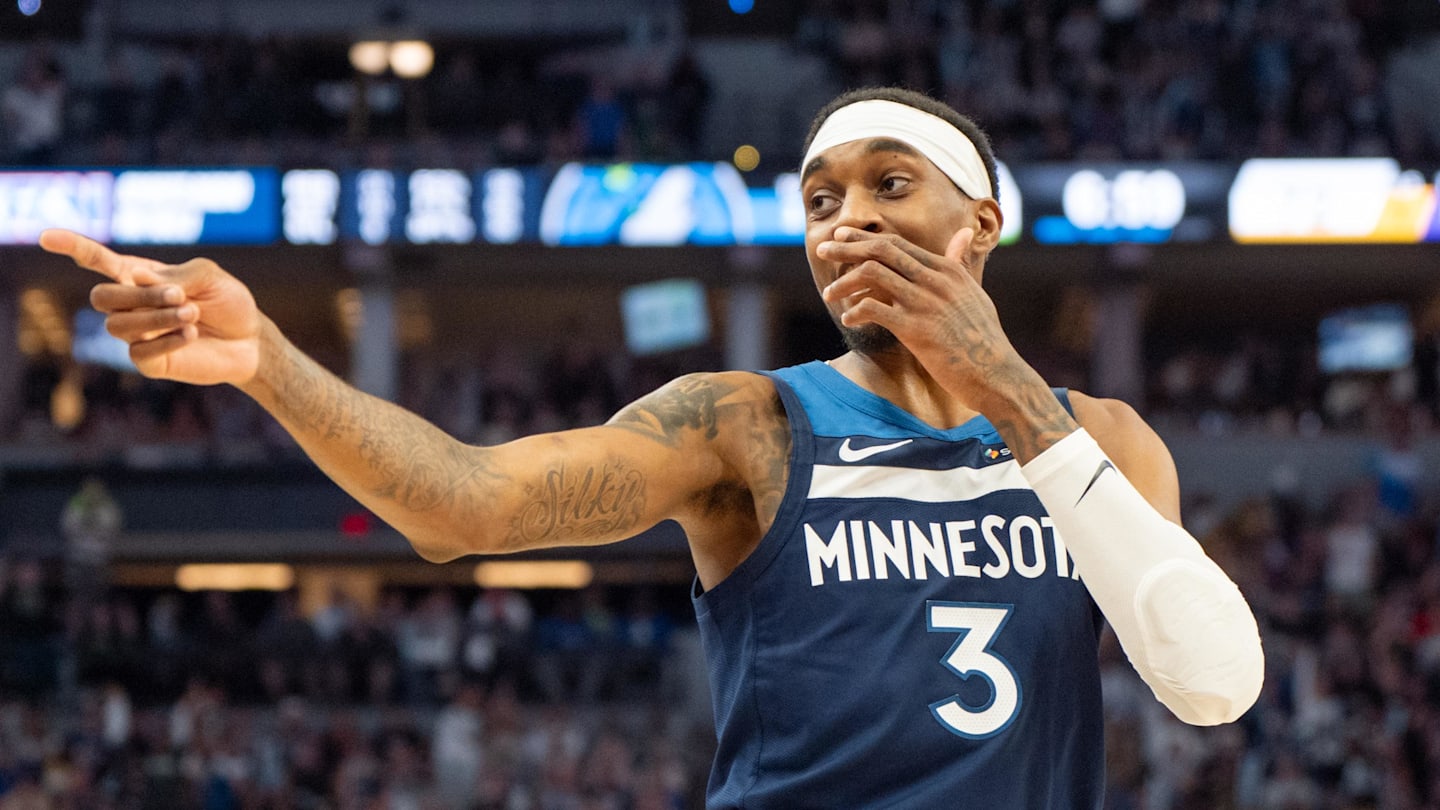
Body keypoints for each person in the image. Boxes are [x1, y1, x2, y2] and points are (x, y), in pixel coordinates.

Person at [41, 86, 1263, 808]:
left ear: (980, 223)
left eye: (891, 184)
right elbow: (464, 507)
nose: (849, 222)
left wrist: (1006, 387)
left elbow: (1213, 688)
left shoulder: (1097, 439)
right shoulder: (747, 424)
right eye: (821, 199)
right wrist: (269, 359)